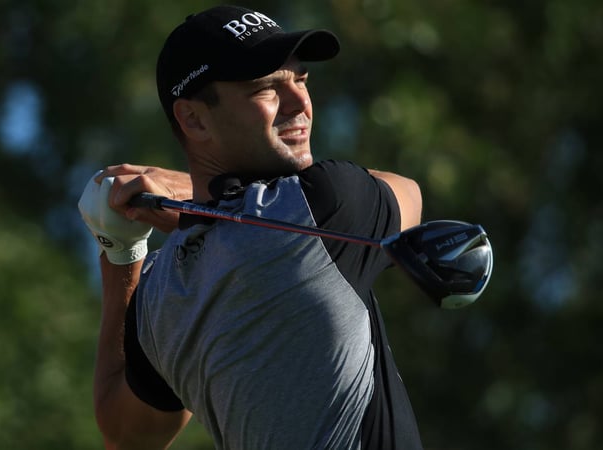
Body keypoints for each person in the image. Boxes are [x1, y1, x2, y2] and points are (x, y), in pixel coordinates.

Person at [78, 5, 424, 449]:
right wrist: (195, 204)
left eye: (301, 80)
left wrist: (119, 249)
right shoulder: (321, 206)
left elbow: (126, 433)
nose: (300, 102)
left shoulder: (163, 295)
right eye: (267, 88)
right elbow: (407, 192)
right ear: (194, 119)